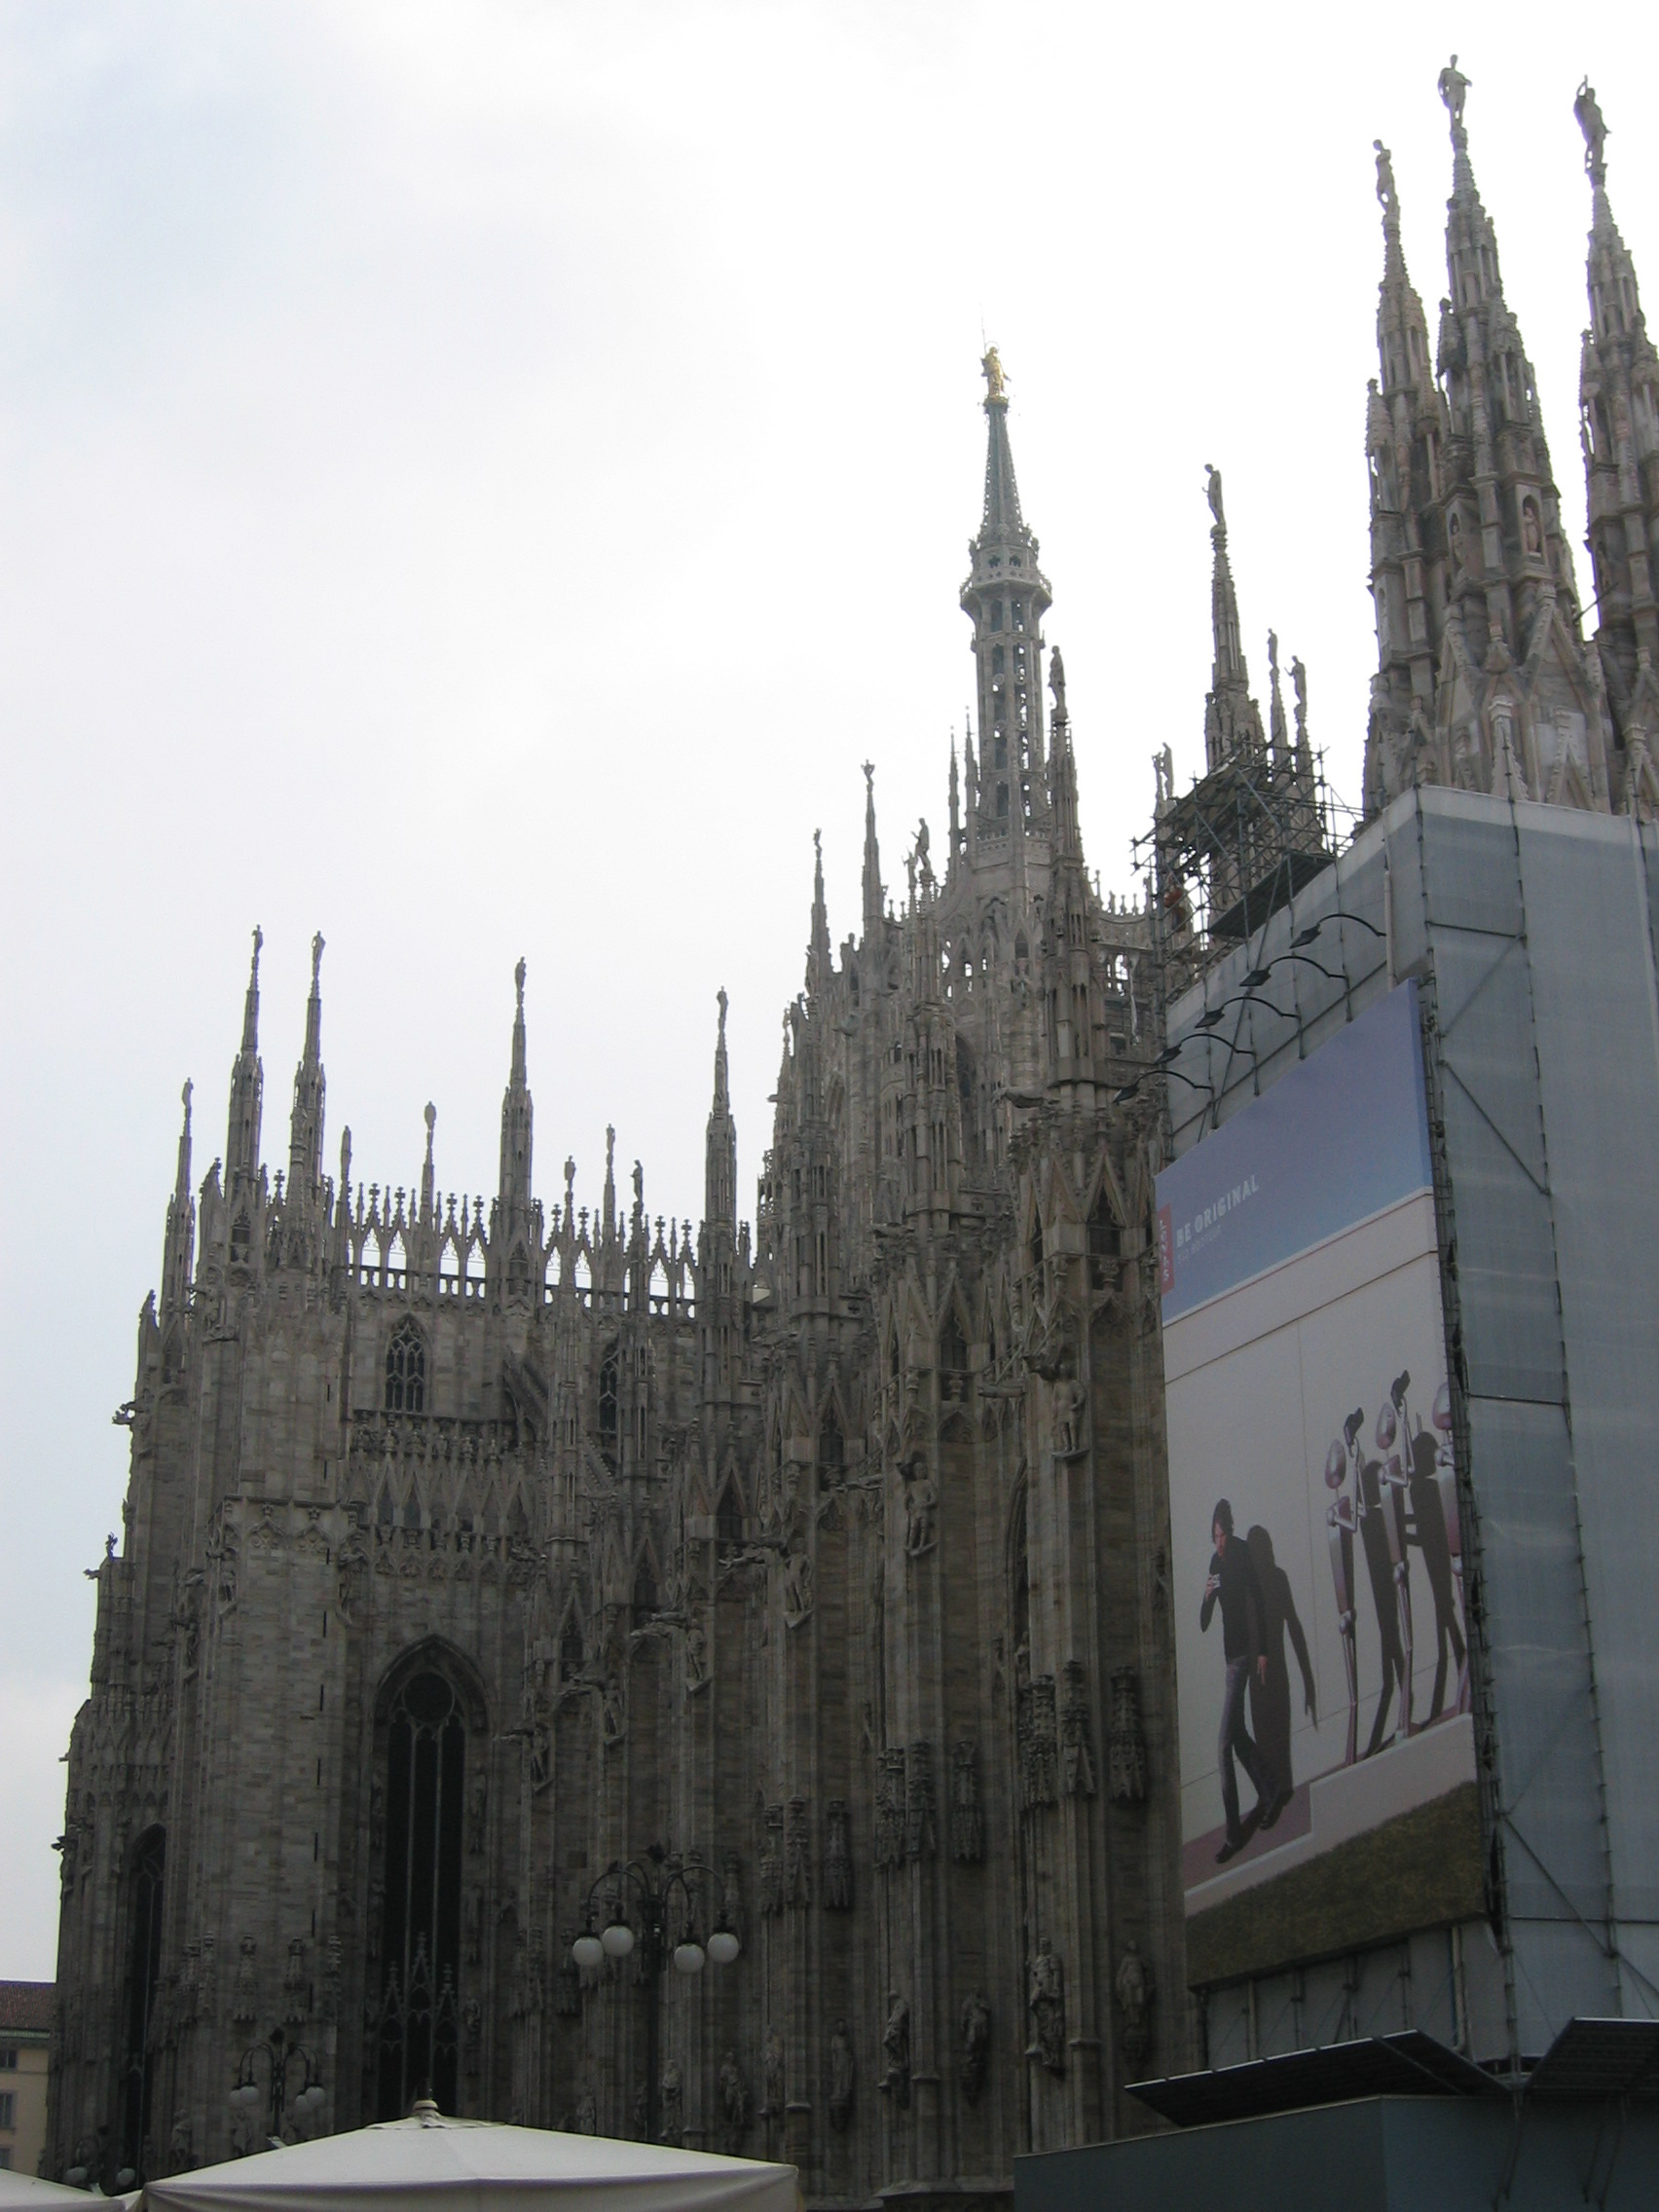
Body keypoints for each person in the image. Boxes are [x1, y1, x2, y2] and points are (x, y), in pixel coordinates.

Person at [1199, 1498, 1288, 1860]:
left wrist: (1264, 1650)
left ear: (1230, 1530)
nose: (1219, 1542)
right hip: (1228, 1661)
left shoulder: (1240, 1553)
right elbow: (1204, 1622)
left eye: (1223, 1534)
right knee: (1236, 1738)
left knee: (1222, 1746)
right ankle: (1271, 1789)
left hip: (1243, 1659)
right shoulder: (1214, 1563)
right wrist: (1206, 1597)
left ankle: (1233, 1834)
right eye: (1215, 1536)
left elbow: (1261, 1599)